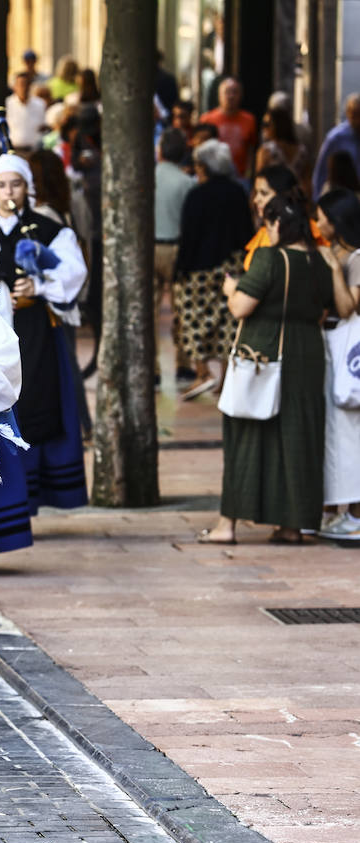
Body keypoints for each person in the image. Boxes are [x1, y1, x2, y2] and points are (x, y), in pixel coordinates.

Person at [199, 192, 331, 544]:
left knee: (246, 436)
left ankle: (227, 525)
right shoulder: (318, 261)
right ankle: (291, 524)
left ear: (275, 224)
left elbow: (241, 307)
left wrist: (231, 289)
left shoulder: (270, 259)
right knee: (297, 438)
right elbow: (328, 307)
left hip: (265, 352)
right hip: (308, 355)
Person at [0, 151, 89, 512]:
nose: (9, 191)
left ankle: (45, 491)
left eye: (16, 184)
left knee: (38, 403)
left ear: (28, 188)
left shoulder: (49, 231)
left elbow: (73, 272)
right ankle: (11, 499)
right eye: (1, 185)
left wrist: (39, 286)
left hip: (38, 332)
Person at [174, 140, 255, 400]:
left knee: (193, 320)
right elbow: (245, 232)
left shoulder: (197, 195)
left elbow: (189, 236)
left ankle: (202, 372)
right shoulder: (237, 192)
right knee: (228, 324)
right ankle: (225, 377)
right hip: (231, 267)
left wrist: (180, 269)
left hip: (199, 269)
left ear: (204, 166)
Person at [315, 189, 360, 540]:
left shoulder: (355, 258)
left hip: (349, 350)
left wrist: (333, 267)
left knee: (349, 431)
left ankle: (354, 514)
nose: (317, 223)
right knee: (335, 431)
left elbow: (347, 308)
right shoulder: (334, 253)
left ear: (336, 221)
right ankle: (335, 509)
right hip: (332, 347)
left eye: (322, 217)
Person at [154, 129, 196, 372]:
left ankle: (153, 368)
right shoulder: (187, 182)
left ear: (160, 151)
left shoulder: (148, 177)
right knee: (182, 309)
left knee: (149, 312)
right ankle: (184, 362)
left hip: (150, 248)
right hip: (176, 248)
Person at [200, 78, 257, 178]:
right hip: (213, 176)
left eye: (235, 92)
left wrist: (248, 174)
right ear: (219, 95)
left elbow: (251, 150)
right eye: (227, 92)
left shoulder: (249, 120)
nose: (231, 96)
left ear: (241, 95)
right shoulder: (207, 119)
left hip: (241, 177)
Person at [311, 94, 360, 201]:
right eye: (355, 115)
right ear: (348, 114)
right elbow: (321, 170)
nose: (358, 120)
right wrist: (317, 200)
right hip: (340, 198)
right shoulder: (336, 138)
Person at [255, 104, 310, 197]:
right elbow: (307, 183)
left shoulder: (266, 151)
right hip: (296, 200)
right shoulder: (302, 150)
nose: (264, 128)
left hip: (273, 200)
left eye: (267, 124)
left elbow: (258, 181)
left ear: (278, 125)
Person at [4, 72, 46, 151]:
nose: (23, 88)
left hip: (34, 150)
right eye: (21, 84)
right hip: (14, 149)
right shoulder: (8, 103)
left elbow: (42, 126)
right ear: (15, 87)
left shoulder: (40, 104)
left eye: (26, 84)